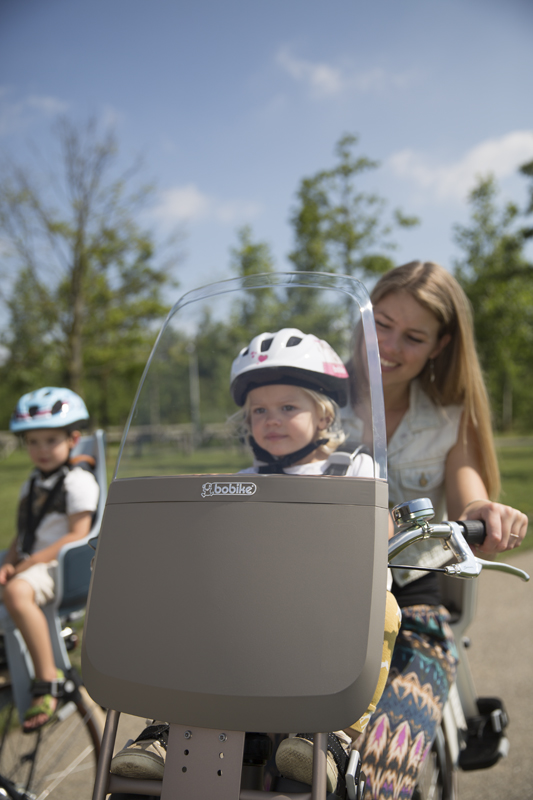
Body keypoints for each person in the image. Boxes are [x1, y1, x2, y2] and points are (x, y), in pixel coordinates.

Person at [110, 328, 402, 795]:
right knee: (192, 607)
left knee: (383, 609)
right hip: (249, 617)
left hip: (324, 614)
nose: (271, 419)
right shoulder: (241, 480)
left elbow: (376, 534)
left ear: (324, 412)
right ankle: (168, 727)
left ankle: (334, 737)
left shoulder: (352, 469)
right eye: (259, 411)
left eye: (289, 407)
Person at [350, 261, 528, 799]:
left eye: (413, 336)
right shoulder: (312, 393)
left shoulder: (450, 417)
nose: (388, 344)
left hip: (412, 604)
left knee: (381, 760)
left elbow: (469, 490)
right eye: (380, 323)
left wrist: (487, 510)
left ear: (440, 345)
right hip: (312, 598)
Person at [1, 387, 99, 732]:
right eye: (33, 442)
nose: (41, 450)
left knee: (15, 593)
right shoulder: (32, 482)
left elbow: (78, 535)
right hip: (34, 562)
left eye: (50, 440)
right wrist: (10, 560)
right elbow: (23, 531)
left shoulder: (79, 481)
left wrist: (27, 565)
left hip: (61, 566)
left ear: (73, 439)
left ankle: (48, 678)